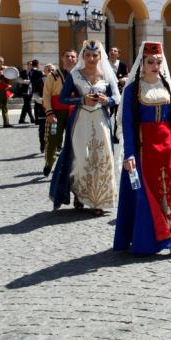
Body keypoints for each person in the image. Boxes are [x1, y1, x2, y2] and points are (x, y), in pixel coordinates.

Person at [114, 41, 171, 257]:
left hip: (167, 149)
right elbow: (128, 125)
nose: (155, 65)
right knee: (146, 195)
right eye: (150, 62)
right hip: (144, 149)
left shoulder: (166, 86)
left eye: (158, 61)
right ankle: (147, 243)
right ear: (142, 63)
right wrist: (128, 153)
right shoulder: (133, 90)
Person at [49, 41, 120, 215]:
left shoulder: (106, 76)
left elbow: (117, 98)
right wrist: (81, 100)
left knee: (102, 159)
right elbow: (62, 99)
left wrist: (107, 100)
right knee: (80, 159)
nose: (91, 58)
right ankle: (79, 194)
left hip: (101, 122)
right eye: (87, 55)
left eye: (95, 55)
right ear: (83, 56)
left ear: (100, 56)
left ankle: (98, 200)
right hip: (80, 122)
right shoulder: (75, 75)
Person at [43, 50, 77, 177]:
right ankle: (49, 163)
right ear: (62, 58)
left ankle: (70, 165)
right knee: (53, 139)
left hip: (73, 111)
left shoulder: (79, 75)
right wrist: (49, 112)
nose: (70, 58)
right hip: (56, 112)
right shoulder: (53, 75)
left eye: (72, 56)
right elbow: (46, 95)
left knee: (73, 139)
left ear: (77, 59)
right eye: (67, 56)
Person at [108, 46, 129, 143]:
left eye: (115, 51)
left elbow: (126, 75)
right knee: (107, 114)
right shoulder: (105, 64)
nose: (112, 52)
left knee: (117, 115)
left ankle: (116, 135)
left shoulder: (122, 65)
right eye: (111, 51)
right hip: (107, 94)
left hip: (119, 94)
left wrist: (124, 79)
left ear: (118, 54)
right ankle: (106, 134)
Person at [28, 60, 48, 153]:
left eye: (52, 70)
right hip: (42, 106)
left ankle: (55, 145)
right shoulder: (40, 80)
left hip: (55, 108)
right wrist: (43, 101)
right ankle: (43, 145)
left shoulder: (58, 80)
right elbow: (35, 94)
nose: (51, 71)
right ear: (45, 71)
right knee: (42, 128)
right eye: (48, 69)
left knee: (54, 128)